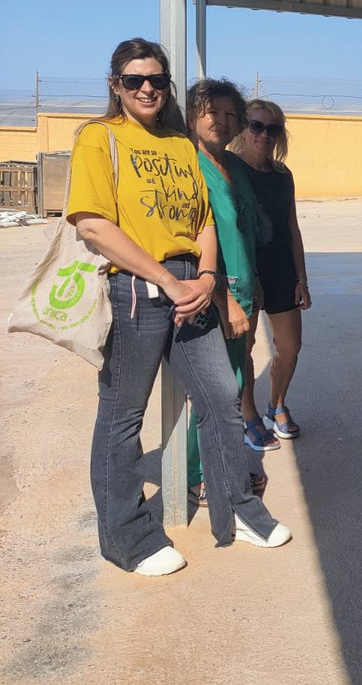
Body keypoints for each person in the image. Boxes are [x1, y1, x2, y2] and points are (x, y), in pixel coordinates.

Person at [68, 38, 289, 577]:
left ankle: (236, 509)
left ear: (167, 87)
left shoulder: (179, 144)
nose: (146, 88)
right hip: (138, 288)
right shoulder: (100, 138)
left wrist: (206, 276)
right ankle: (127, 538)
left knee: (221, 397)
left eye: (157, 80)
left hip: (192, 287)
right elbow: (93, 224)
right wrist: (168, 279)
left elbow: (204, 221)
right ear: (115, 86)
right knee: (123, 419)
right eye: (133, 80)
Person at [185, 78, 272, 510]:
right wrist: (225, 299)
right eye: (211, 112)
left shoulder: (234, 166)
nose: (221, 121)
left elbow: (247, 229)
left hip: (244, 288)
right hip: (214, 294)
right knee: (216, 389)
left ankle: (225, 460)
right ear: (192, 115)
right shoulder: (189, 164)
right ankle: (195, 475)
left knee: (236, 380)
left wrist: (252, 284)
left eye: (230, 114)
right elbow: (194, 239)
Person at [233, 99, 311, 441]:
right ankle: (247, 413)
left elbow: (292, 227)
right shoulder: (229, 168)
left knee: (290, 346)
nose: (264, 134)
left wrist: (302, 278)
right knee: (244, 346)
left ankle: (276, 403)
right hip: (245, 266)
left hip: (280, 267)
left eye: (272, 128)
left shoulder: (283, 175)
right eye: (256, 126)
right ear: (243, 129)